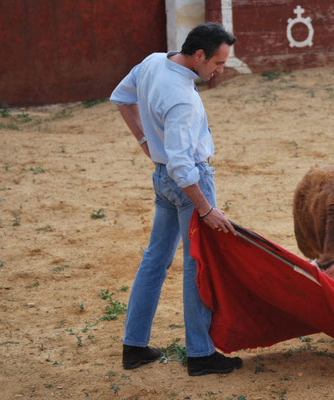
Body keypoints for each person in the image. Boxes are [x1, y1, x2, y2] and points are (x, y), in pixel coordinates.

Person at [110, 22, 242, 376]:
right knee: (197, 264)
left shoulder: (154, 62)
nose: (219, 70)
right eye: (217, 63)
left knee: (155, 259)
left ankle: (134, 347)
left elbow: (121, 97)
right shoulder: (182, 97)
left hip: (161, 178)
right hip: (189, 184)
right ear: (198, 55)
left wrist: (145, 143)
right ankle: (200, 354)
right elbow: (185, 169)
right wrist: (206, 208)